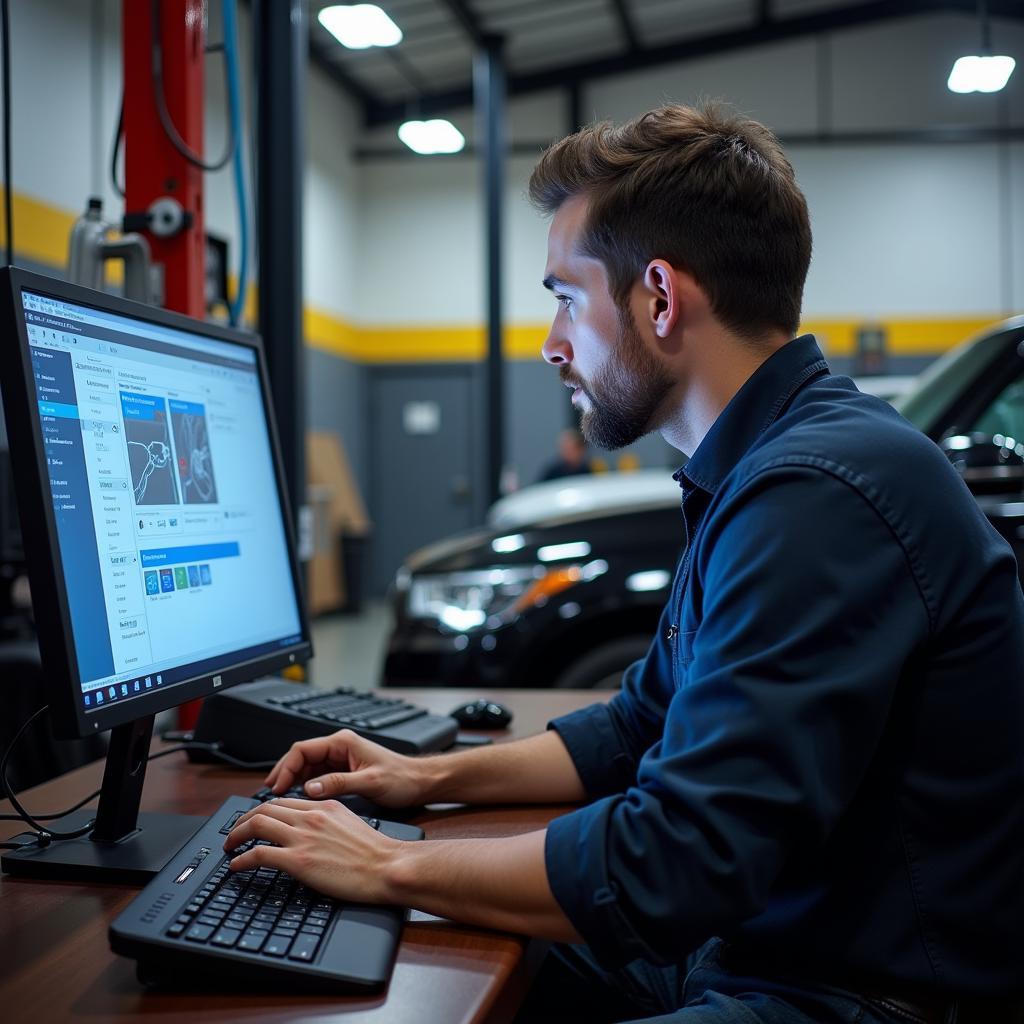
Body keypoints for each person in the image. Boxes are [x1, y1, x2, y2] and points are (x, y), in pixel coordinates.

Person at [224, 105, 1024, 1023]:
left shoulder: (819, 493)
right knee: (415, 958)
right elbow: (641, 723)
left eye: (566, 297)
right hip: (764, 947)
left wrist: (388, 864)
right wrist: (421, 777)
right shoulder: (765, 466)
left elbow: (680, 860)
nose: (551, 343)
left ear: (658, 296)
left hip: (858, 995)